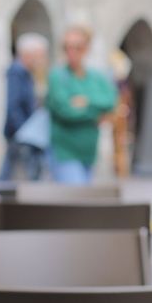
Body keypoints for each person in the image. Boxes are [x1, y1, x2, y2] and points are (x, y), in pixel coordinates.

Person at [45, 25, 117, 184]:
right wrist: (95, 113)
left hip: (89, 154)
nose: (72, 52)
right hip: (65, 152)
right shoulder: (58, 76)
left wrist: (85, 101)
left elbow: (110, 102)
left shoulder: (96, 77)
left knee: (82, 201)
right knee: (76, 201)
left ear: (86, 48)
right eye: (67, 47)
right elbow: (66, 111)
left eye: (77, 47)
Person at [0, 33, 48, 181]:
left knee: (10, 175)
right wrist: (23, 131)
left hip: (23, 133)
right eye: (40, 55)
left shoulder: (26, 74)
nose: (41, 59)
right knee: (13, 176)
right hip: (21, 134)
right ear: (28, 54)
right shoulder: (16, 72)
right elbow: (13, 105)